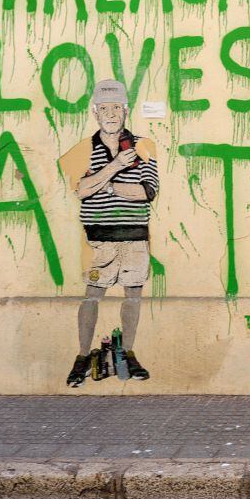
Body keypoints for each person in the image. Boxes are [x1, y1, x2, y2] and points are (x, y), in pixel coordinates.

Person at [63, 80, 159, 387]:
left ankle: (129, 352)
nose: (111, 114)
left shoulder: (145, 146)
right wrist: (116, 165)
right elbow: (80, 190)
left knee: (133, 297)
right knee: (92, 298)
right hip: (98, 238)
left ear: (126, 110)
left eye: (116, 107)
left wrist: (102, 183)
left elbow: (147, 191)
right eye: (104, 108)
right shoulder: (82, 150)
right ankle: (81, 356)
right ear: (94, 112)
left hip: (134, 234)